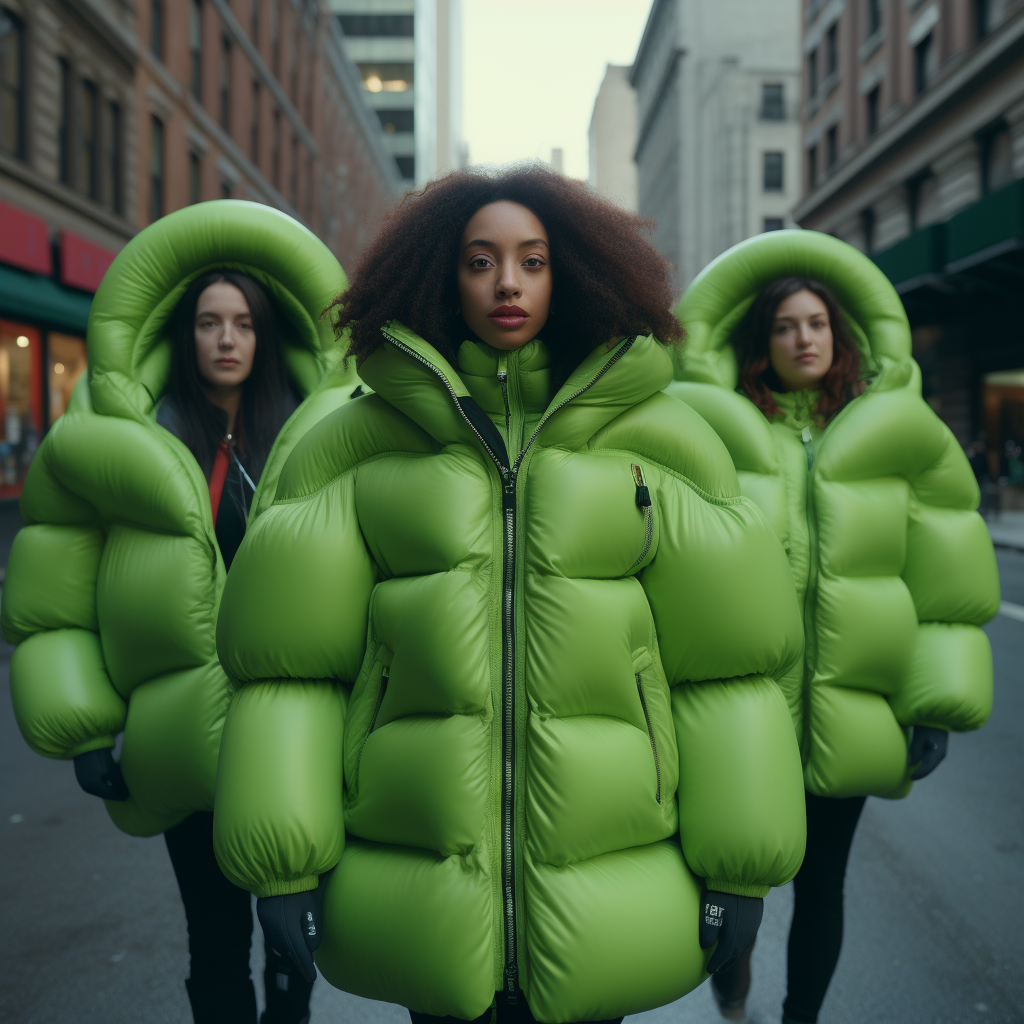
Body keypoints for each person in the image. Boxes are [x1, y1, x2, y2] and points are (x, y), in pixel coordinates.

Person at [211, 166, 808, 1024]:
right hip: (425, 888)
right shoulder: (352, 446)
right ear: (439, 276)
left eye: (532, 261)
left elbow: (726, 672)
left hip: (606, 886)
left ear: (571, 274)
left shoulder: (666, 443)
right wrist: (283, 866)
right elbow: (291, 674)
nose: (507, 284)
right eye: (480, 261)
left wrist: (739, 867)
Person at [2, 200, 358, 1024]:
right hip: (179, 736)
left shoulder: (320, 436)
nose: (226, 339)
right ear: (185, 333)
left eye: (242, 322)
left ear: (265, 335)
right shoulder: (128, 436)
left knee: (293, 939)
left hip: (297, 735)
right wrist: (83, 726)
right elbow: (59, 584)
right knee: (213, 940)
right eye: (208, 322)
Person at [669, 230, 1000, 1024]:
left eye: (816, 323)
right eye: (784, 326)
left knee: (823, 886)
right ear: (761, 341)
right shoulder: (718, 430)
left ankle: (801, 1019)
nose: (802, 338)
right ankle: (734, 967)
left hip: (853, 707)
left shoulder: (895, 433)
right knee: (735, 874)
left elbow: (942, 571)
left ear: (839, 334)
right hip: (745, 710)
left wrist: (937, 699)